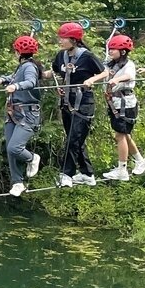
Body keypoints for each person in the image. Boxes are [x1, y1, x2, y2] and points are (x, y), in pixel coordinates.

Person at [45, 22, 104, 188]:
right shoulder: (61, 56)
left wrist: (92, 79)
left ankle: (66, 174)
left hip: (84, 102)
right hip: (66, 102)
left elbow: (105, 72)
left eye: (63, 38)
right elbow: (53, 72)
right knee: (76, 139)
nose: (60, 41)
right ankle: (87, 174)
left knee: (73, 139)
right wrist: (34, 73)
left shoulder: (87, 56)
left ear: (74, 39)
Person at [84, 34, 145, 181]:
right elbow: (103, 73)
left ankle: (122, 169)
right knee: (124, 135)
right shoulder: (111, 64)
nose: (111, 51)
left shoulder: (128, 65)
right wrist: (91, 79)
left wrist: (117, 79)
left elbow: (129, 76)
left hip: (126, 104)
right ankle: (140, 161)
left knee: (120, 136)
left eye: (113, 49)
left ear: (123, 52)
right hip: (115, 103)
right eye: (110, 49)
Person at [0, 36, 44, 197]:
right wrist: (4, 80)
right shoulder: (22, 66)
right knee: (10, 150)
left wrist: (15, 86)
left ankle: (32, 158)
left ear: (18, 52)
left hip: (28, 114)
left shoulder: (29, 67)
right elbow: (15, 77)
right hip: (13, 113)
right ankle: (17, 182)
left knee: (14, 148)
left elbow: (30, 82)